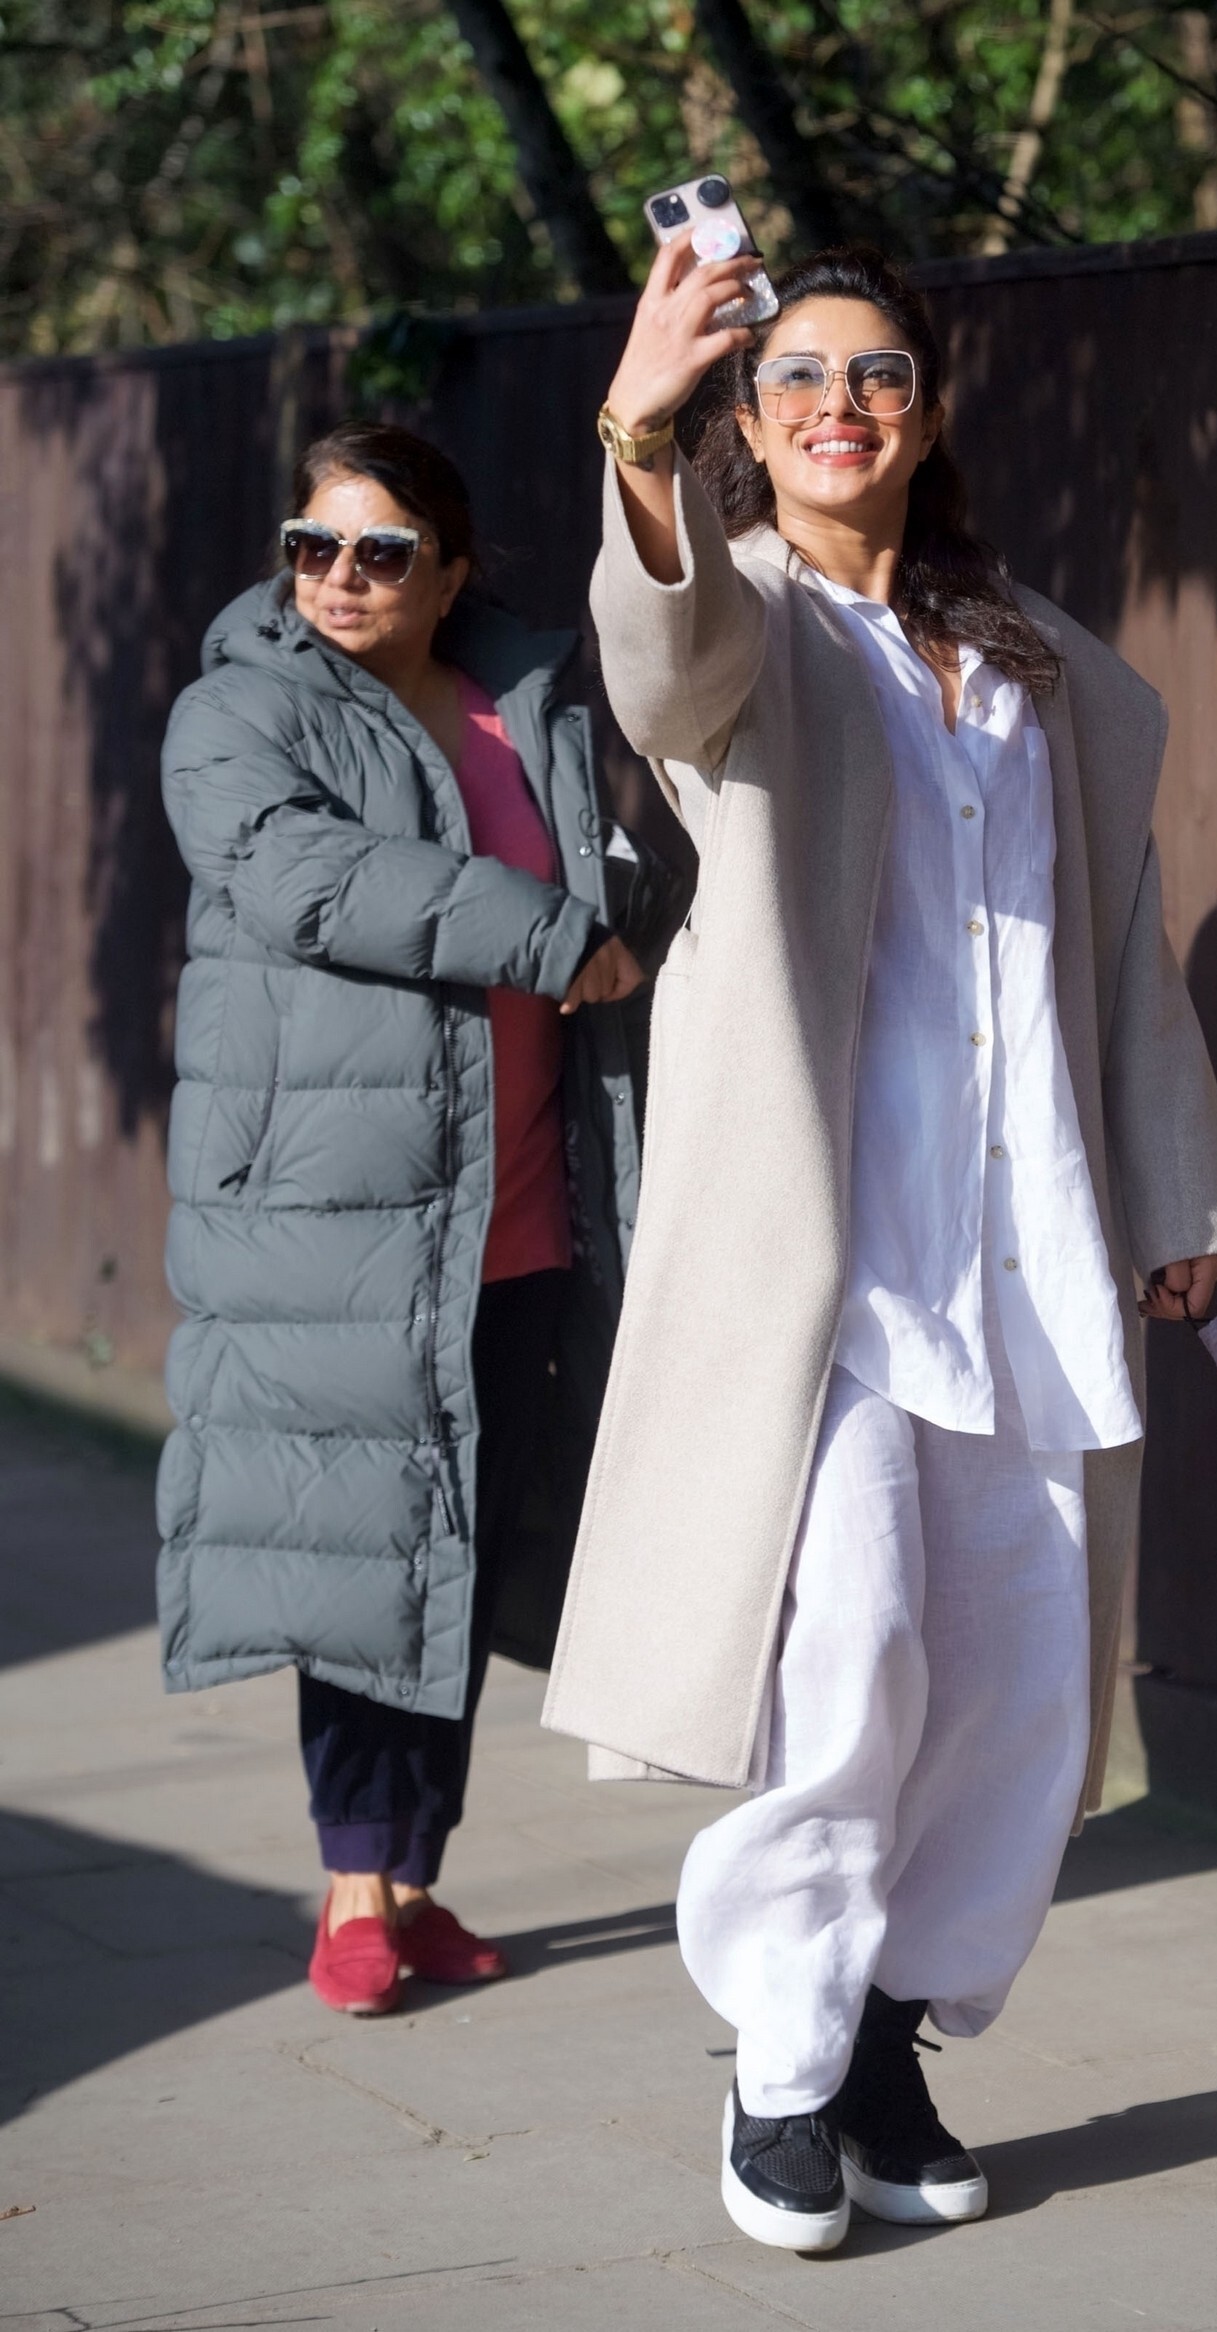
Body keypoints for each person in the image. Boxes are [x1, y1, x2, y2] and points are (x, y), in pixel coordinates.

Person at [542, 240, 1217, 2252]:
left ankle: (882, 2034)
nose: (835, 406)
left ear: (927, 411)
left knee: (1017, 1682)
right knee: (849, 1651)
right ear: (748, 419)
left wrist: (1178, 1196)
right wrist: (637, 432)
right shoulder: (748, 630)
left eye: (875, 374)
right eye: (793, 377)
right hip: (833, 1256)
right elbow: (656, 660)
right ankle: (780, 2068)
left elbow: (1113, 956)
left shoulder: (1030, 662)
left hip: (1023, 1237)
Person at [158, 421, 685, 2016]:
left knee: (461, 1546)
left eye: (380, 552)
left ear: (450, 575)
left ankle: (415, 1871)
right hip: (338, 1217)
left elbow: (633, 872)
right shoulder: (237, 713)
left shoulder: (531, 707)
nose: (338, 577)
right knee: (359, 1553)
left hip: (518, 1206)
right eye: (311, 546)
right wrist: (551, 934)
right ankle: (353, 1884)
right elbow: (305, 878)